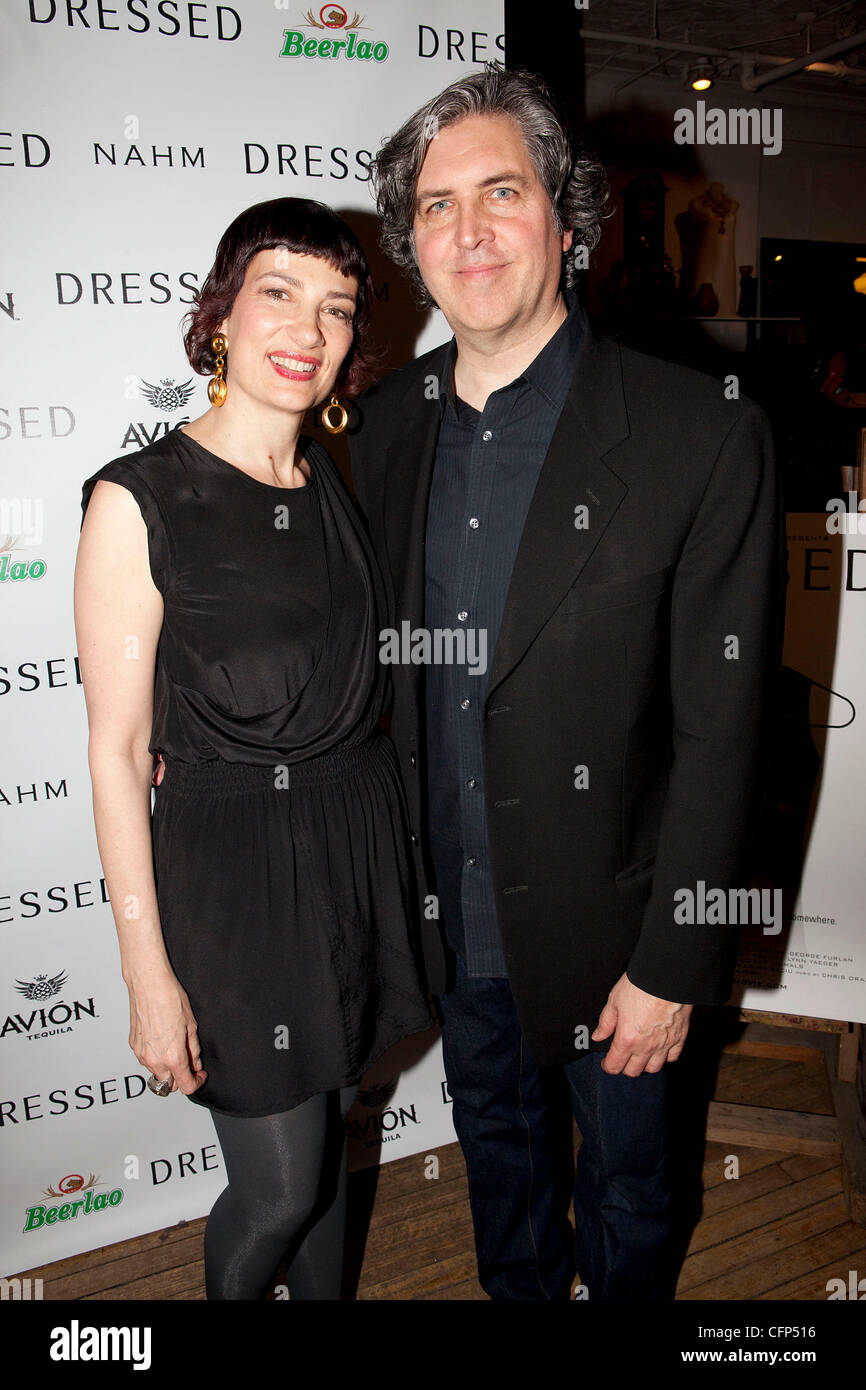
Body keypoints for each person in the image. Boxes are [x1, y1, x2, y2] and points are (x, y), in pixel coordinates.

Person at [350, 66, 785, 1300]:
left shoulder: (699, 434)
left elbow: (723, 731)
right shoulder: (381, 432)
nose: (468, 230)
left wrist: (669, 965)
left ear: (566, 219)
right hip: (455, 918)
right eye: (435, 207)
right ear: (411, 244)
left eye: (501, 191)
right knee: (502, 1173)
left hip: (622, 936)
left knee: (634, 1193)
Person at [73, 197, 432, 1301]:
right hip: (233, 882)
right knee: (277, 1191)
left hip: (347, 856)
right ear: (222, 314)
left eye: (335, 309)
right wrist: (147, 972)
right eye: (279, 293)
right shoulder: (140, 501)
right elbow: (119, 749)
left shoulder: (329, 481)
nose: (307, 330)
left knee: (321, 1164)